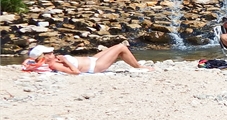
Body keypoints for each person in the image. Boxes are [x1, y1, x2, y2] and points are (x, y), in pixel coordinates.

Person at [22, 43, 150, 74]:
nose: (52, 53)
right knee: (121, 47)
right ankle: (138, 67)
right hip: (95, 67)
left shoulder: (55, 61)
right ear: (44, 57)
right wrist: (66, 61)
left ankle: (136, 64)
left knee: (115, 46)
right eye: (49, 53)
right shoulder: (54, 65)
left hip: (92, 59)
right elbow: (76, 72)